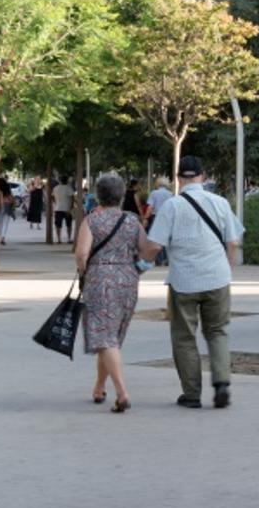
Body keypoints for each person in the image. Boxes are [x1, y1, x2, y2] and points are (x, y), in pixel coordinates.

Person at [142, 156, 244, 410]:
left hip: (183, 282)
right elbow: (233, 241)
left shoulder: (172, 206)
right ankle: (221, 383)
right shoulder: (220, 203)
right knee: (218, 331)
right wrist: (227, 267)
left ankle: (192, 394)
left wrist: (142, 265)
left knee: (184, 338)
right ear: (203, 176)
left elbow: (155, 245)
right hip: (217, 279)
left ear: (178, 178)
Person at [75, 175, 152, 413]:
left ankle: (122, 393)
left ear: (98, 195)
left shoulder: (91, 221)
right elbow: (147, 250)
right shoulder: (132, 221)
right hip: (128, 282)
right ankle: (99, 387)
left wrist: (84, 272)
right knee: (111, 338)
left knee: (105, 338)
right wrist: (134, 267)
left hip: (99, 281)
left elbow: (81, 253)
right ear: (120, 196)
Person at [144, 177, 173, 265]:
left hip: (156, 217)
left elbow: (150, 207)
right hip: (168, 217)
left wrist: (145, 218)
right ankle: (167, 259)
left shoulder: (154, 193)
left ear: (157, 184)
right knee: (167, 239)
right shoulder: (170, 194)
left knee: (156, 239)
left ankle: (159, 260)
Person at [52, 176, 76, 243]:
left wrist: (57, 203)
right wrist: (70, 208)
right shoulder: (69, 188)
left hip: (58, 208)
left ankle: (59, 239)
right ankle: (68, 238)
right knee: (69, 225)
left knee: (58, 225)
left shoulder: (55, 188)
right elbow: (72, 199)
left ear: (60, 181)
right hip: (67, 209)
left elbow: (53, 198)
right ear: (67, 180)